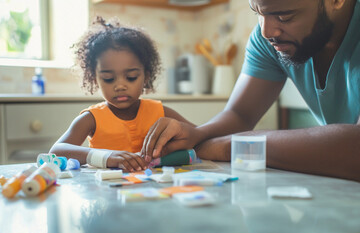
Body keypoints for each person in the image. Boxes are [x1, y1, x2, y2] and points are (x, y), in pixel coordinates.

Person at [142, 0, 360, 182]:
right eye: (258, 13)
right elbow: (240, 114)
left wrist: (230, 146)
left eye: (284, 17)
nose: (266, 31)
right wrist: (199, 134)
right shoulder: (270, 40)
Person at [50, 16, 193, 172]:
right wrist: (105, 157)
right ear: (94, 78)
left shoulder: (160, 112)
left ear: (146, 76)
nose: (120, 86)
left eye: (131, 77)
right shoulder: (91, 119)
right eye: (109, 79)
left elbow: (198, 135)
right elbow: (56, 152)